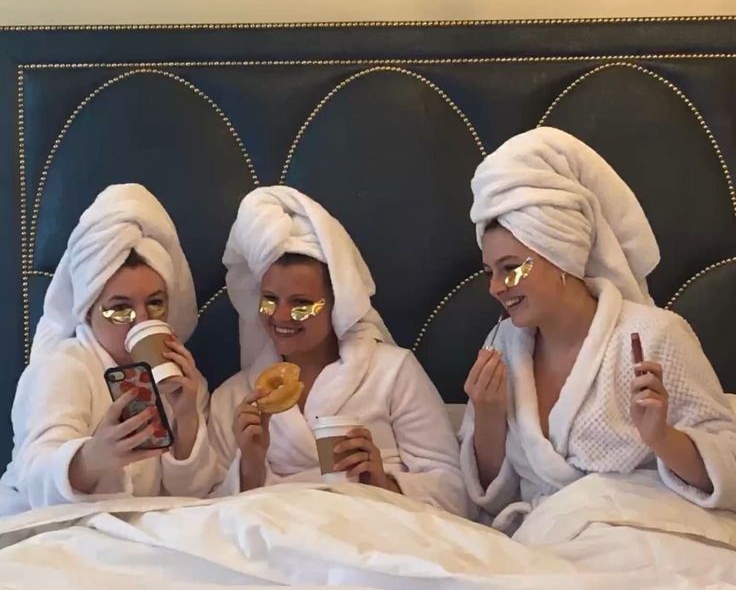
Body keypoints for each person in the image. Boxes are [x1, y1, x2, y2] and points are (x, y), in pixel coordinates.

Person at [460, 127, 736, 533]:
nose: (496, 287)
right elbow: (494, 502)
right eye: (490, 273)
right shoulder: (502, 346)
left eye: (511, 268)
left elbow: (729, 464)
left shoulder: (656, 336)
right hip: (544, 541)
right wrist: (487, 415)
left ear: (560, 253)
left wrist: (663, 438)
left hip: (645, 536)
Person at [209, 186, 466, 515]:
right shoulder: (234, 398)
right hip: (280, 542)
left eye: (301, 304)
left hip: (379, 531)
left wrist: (382, 482)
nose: (281, 316)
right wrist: (251, 465)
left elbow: (455, 493)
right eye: (270, 300)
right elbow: (208, 514)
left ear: (336, 304)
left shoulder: (392, 372)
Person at [1, 183, 220, 512]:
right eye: (120, 308)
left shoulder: (183, 380)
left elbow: (194, 497)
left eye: (155, 304)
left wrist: (187, 416)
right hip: (43, 530)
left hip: (132, 534)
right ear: (88, 311)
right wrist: (93, 458)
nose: (140, 320)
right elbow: (34, 474)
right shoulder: (65, 367)